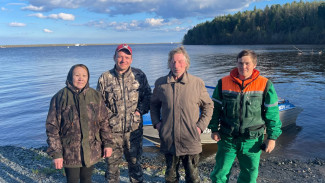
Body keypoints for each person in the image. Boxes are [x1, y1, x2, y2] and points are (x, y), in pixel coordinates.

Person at [208, 50, 282, 183]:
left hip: (252, 140)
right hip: (227, 138)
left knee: (249, 175)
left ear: (254, 64)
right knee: (220, 173)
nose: (243, 67)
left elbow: (272, 114)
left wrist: (272, 137)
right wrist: (214, 129)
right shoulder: (223, 83)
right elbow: (215, 108)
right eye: (240, 63)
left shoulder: (265, 84)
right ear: (236, 63)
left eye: (247, 63)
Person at [150, 46, 214, 183]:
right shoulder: (161, 83)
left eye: (180, 61)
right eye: (173, 62)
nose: (176, 65)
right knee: (171, 177)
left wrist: (200, 127)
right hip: (169, 140)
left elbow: (208, 106)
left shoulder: (197, 83)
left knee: (192, 177)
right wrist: (157, 123)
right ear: (169, 63)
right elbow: (154, 105)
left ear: (186, 63)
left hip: (190, 140)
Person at [46, 64, 113, 183]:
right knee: (72, 180)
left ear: (88, 77)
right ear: (70, 77)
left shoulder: (95, 96)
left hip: (91, 149)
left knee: (87, 179)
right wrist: (56, 153)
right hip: (69, 151)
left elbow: (104, 122)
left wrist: (107, 143)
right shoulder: (60, 97)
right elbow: (52, 127)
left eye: (84, 75)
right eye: (77, 75)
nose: (80, 78)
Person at [97, 44, 151, 183]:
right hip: (112, 133)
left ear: (131, 59)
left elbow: (148, 97)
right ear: (114, 57)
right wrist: (110, 119)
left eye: (127, 57)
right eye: (120, 56)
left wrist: (139, 111)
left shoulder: (139, 75)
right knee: (112, 168)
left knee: (135, 164)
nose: (123, 60)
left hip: (134, 132)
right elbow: (98, 104)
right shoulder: (105, 77)